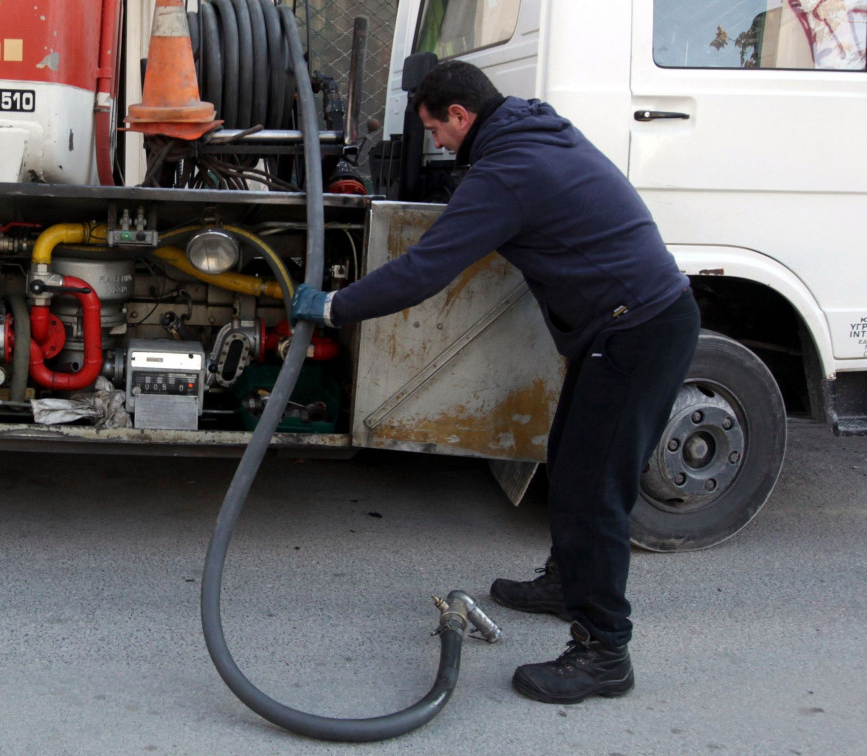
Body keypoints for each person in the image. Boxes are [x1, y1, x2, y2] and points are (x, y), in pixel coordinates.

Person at [291, 60, 701, 704]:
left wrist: (335, 307)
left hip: (638, 333)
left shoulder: (511, 170)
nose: (440, 145)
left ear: (461, 115)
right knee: (568, 465)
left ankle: (604, 652)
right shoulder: (533, 131)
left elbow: (426, 269)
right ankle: (568, 581)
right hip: (626, 327)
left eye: (438, 131)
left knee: (595, 492)